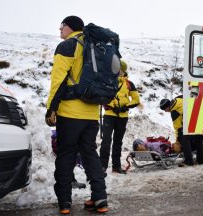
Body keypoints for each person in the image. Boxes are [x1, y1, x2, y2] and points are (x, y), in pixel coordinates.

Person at [45, 16, 108, 214]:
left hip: (70, 113)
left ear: (69, 27)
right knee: (90, 154)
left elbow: (58, 80)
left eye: (61, 26)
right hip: (91, 114)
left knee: (66, 154)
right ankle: (100, 198)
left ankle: (65, 203)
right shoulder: (96, 47)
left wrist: (51, 108)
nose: (59, 29)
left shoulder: (67, 46)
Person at [100, 60, 140, 174]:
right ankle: (102, 167)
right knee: (106, 141)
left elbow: (136, 99)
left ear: (123, 70)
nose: (117, 71)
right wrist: (112, 106)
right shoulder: (107, 81)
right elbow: (102, 96)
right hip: (109, 115)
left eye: (119, 69)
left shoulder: (129, 84)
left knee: (118, 141)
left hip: (123, 116)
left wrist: (125, 107)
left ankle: (116, 166)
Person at [159, 96, 203, 166]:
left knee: (184, 140)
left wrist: (178, 139)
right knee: (198, 139)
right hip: (198, 118)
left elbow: (177, 127)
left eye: (165, 109)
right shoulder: (179, 100)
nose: (165, 111)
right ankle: (201, 160)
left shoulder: (174, 111)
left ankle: (189, 162)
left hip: (189, 123)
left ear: (167, 107)